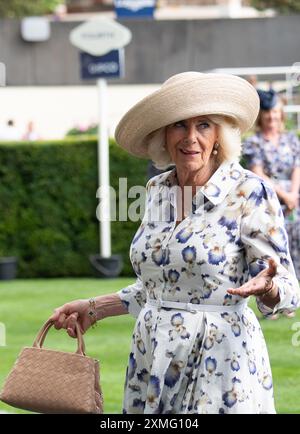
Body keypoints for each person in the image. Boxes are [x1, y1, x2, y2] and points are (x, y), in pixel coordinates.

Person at [50, 72, 300, 414]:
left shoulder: (248, 191)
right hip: (152, 357)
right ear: (164, 136)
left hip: (220, 364)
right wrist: (94, 308)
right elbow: (161, 286)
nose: (191, 138)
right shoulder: (157, 192)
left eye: (204, 125)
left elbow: (287, 287)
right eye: (179, 125)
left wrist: (268, 287)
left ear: (219, 136)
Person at [243, 89, 300, 318]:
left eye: (276, 113)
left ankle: (290, 299)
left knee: (294, 251)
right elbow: (258, 174)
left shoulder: (291, 140)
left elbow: (297, 167)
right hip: (267, 200)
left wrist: (294, 194)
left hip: (294, 201)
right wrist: (284, 196)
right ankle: (269, 300)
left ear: (281, 115)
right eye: (268, 113)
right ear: (262, 116)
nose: (272, 118)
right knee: (269, 250)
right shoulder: (254, 143)